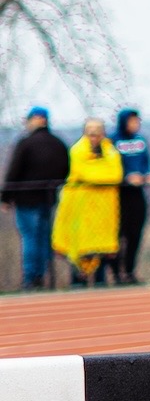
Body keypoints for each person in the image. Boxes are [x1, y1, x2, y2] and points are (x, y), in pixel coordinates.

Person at [2, 108, 68, 290]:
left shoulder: (26, 143)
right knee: (44, 238)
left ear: (37, 120)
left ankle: (31, 278)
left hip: (26, 198)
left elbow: (14, 170)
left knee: (30, 238)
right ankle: (45, 275)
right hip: (48, 198)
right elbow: (65, 171)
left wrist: (6, 197)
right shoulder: (58, 143)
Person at [53, 118, 122, 287]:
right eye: (91, 133)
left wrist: (97, 176)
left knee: (101, 247)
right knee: (80, 246)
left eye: (98, 133)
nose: (94, 137)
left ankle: (100, 280)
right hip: (81, 207)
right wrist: (100, 176)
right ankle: (78, 281)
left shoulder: (111, 151)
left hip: (104, 209)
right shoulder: (77, 151)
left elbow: (115, 175)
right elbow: (84, 174)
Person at [110, 108, 150, 285]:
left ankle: (129, 270)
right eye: (132, 121)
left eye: (137, 121)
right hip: (117, 194)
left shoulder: (140, 141)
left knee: (135, 233)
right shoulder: (112, 141)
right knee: (117, 235)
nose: (135, 124)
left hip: (137, 193)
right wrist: (125, 177)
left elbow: (146, 164)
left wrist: (145, 175)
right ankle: (115, 272)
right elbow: (109, 165)